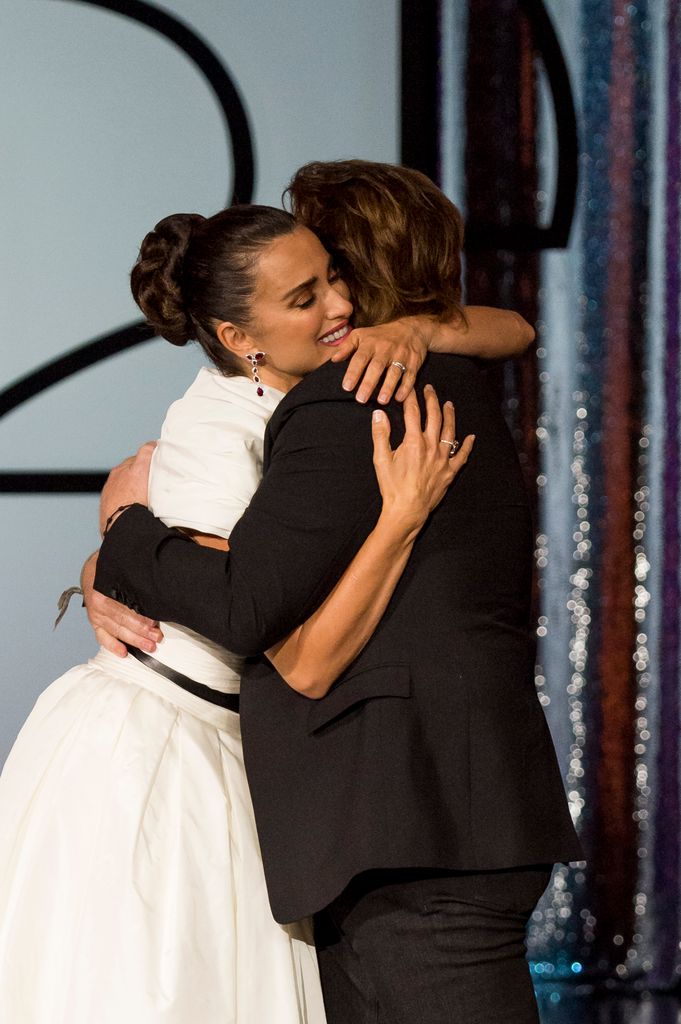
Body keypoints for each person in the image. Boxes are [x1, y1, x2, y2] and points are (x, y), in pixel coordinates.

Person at [0, 188, 523, 1024]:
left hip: (236, 751)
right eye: (305, 295)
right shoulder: (227, 427)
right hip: (161, 753)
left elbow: (511, 330)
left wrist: (417, 328)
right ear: (239, 337)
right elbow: (258, 627)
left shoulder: (331, 387)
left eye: (333, 278)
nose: (341, 305)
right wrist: (121, 535)